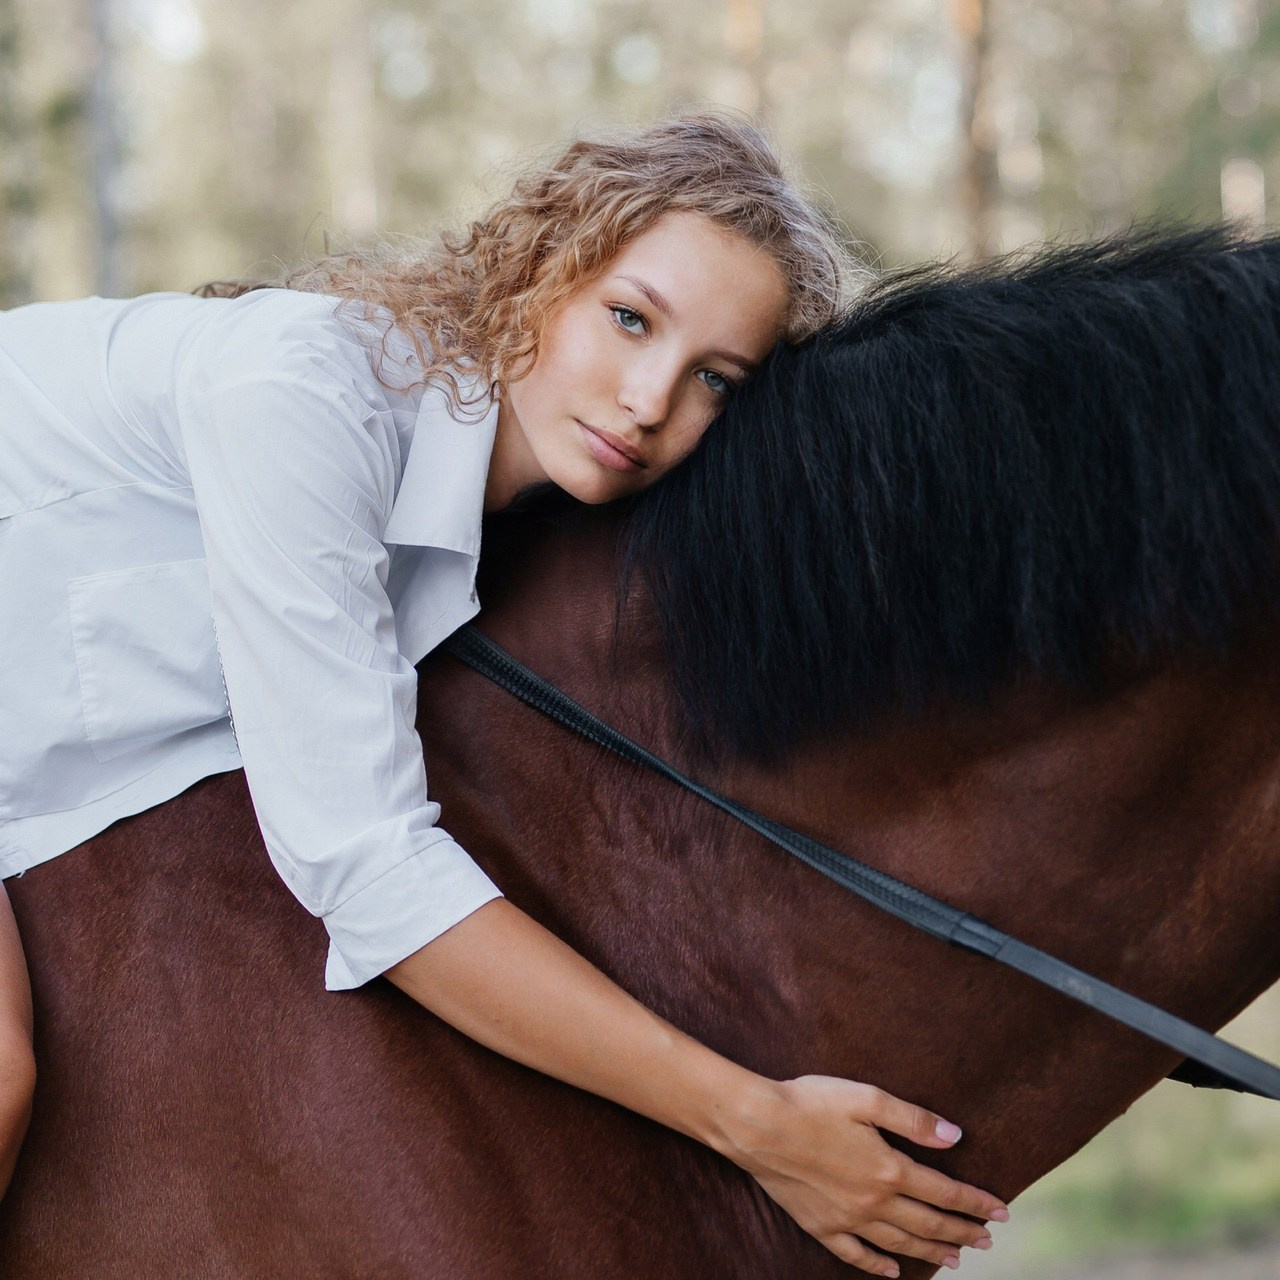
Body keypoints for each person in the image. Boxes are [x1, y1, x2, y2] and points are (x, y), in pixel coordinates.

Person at [0, 112, 1006, 1275]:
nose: (645, 401)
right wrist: (754, 1122)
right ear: (539, 272)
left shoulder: (503, 520)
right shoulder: (310, 394)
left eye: (711, 381)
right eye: (629, 319)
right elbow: (367, 866)